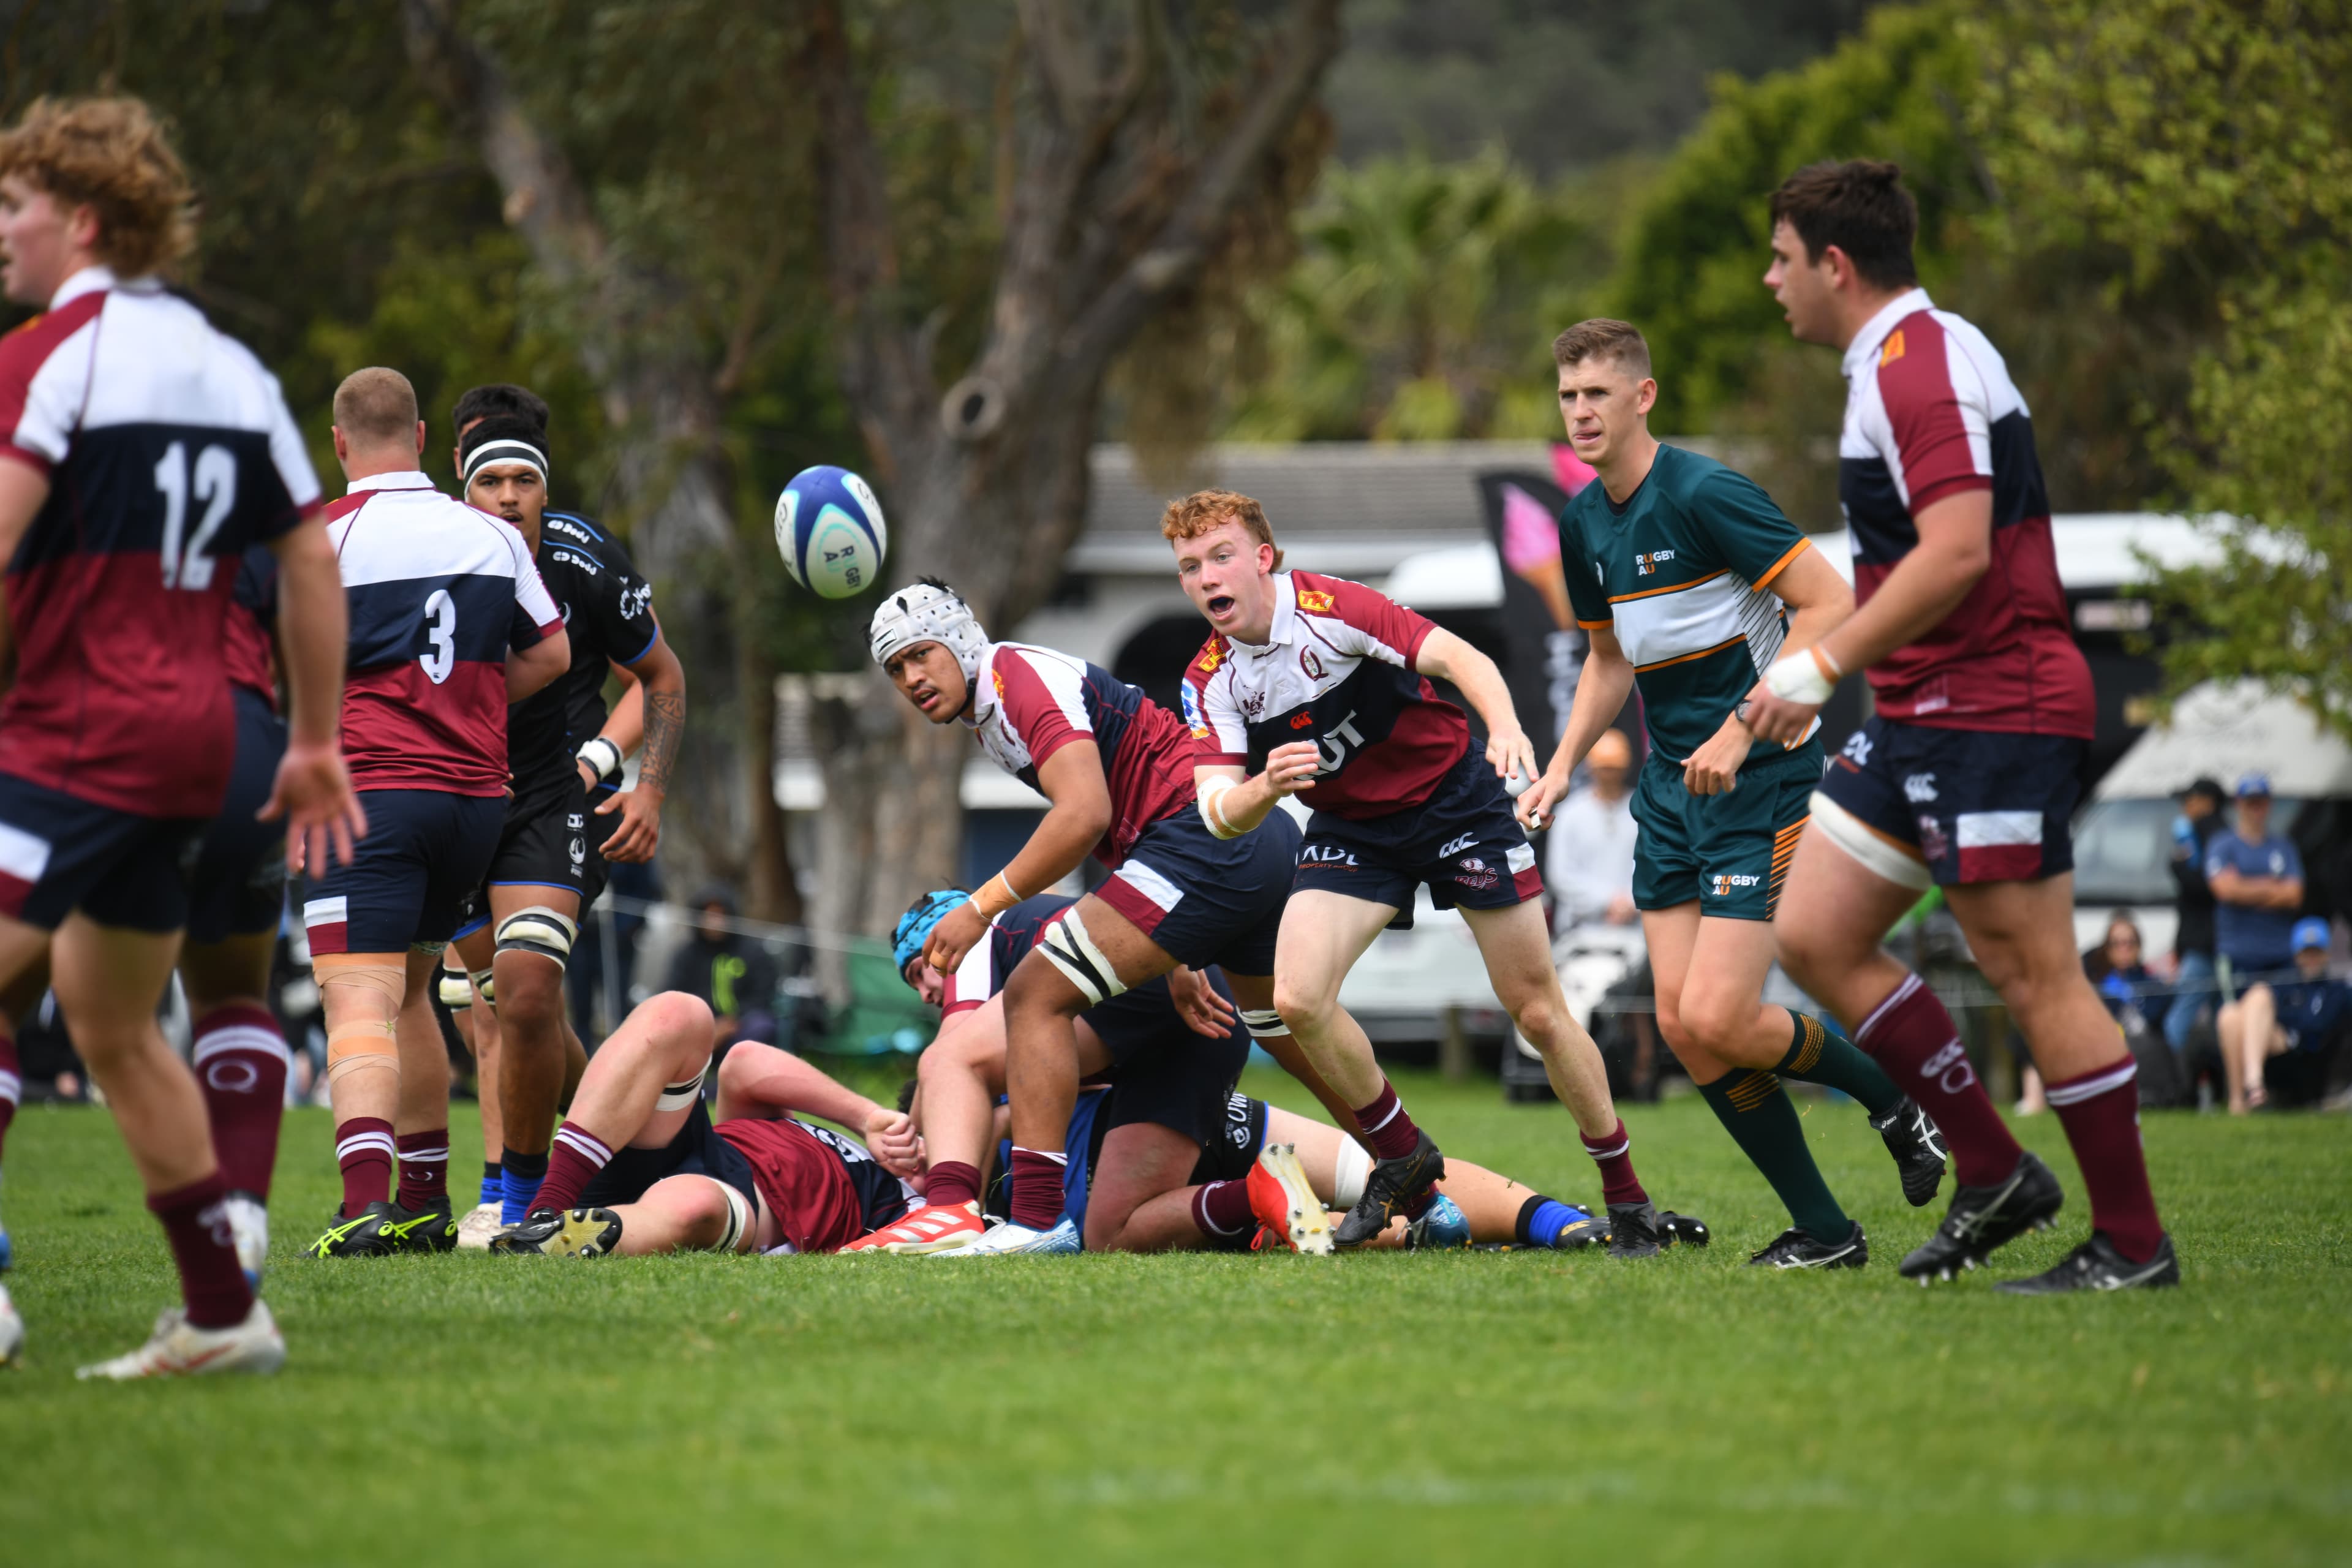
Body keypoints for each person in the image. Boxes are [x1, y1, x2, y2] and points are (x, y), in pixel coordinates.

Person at [1752, 158, 2175, 1291]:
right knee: (1817, 934)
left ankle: (2134, 1246)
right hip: (1920, 711)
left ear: (1834, 265)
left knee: (2032, 971)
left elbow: (1958, 549)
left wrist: (1818, 665)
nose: (1770, 278)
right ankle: (1993, 1173)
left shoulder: (1918, 364)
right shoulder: (1891, 363)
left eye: (1783, 259)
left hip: (1996, 702)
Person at [0, 96, 363, 1378]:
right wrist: (315, 740)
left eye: (15, 208)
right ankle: (223, 1311)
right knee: (110, 1021)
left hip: (76, 733)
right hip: (211, 742)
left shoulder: (51, 357)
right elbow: (309, 558)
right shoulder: (233, 368)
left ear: (80, 219)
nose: (4, 232)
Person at [1520, 320, 1945, 1270]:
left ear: (1644, 396)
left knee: (1719, 1014)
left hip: (1762, 781)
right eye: (1567, 396)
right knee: (1686, 1028)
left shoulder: (1705, 492)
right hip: (1670, 796)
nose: (1581, 411)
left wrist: (1742, 727)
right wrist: (1558, 766)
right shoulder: (1585, 521)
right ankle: (1828, 1233)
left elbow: (1833, 604)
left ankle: (1895, 1096)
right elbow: (1604, 661)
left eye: (1598, 392)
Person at [1167, 491, 1666, 1257]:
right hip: (1355, 832)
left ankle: (1627, 1197)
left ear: (1263, 558)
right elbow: (1216, 810)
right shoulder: (1210, 677)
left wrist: (1503, 728)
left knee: (1535, 1011)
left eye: (1221, 556)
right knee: (1299, 997)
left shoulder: (1334, 607)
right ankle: (1403, 1155)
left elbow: (1463, 659)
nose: (1207, 577)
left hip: (1455, 802)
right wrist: (1264, 788)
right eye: (1190, 566)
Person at [869, 581, 1309, 1256]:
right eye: (896, 669)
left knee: (1033, 994)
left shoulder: (1016, 678)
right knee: (1289, 1033)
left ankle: (1025, 1220)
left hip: (1212, 844)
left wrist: (979, 908)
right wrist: (1176, 953)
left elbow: (1085, 816)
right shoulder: (992, 712)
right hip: (1208, 872)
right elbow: (1123, 827)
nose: (912, 678)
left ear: (958, 638)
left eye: (920, 655)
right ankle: (1411, 1177)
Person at [870, 889, 1642, 1256]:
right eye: (916, 981)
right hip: (1191, 1061)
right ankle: (1559, 1221)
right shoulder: (1038, 968)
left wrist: (934, 1178)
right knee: (1360, 1159)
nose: (930, 987)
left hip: (1138, 1090)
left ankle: (1264, 1202)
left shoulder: (972, 942)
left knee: (1105, 1226)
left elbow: (953, 1066)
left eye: (923, 968)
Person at [304, 367, 570, 1259]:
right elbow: (554, 652)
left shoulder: (324, 536)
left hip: (371, 798)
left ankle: (360, 1207)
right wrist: (470, 704)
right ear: (422, 439)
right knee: (415, 991)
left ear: (341, 444)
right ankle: (422, 1202)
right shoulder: (487, 535)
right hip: (473, 806)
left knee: (357, 999)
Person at [442, 390, 687, 1235]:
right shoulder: (431, 556)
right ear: (460, 485)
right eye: (489, 479)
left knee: (527, 989)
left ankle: (520, 1202)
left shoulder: (585, 561)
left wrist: (638, 781)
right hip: (457, 800)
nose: (508, 497)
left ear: (546, 486)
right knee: (493, 1008)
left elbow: (661, 677)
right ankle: (607, 1150)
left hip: (556, 796)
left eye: (524, 479)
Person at [489, 992, 919, 1257]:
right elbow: (745, 1064)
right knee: (681, 1012)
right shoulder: (857, 1134)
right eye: (918, 1125)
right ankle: (545, 1210)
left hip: (733, 1204)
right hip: (697, 1148)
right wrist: (866, 1117)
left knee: (696, 1206)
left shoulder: (938, 1209)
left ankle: (545, 1242)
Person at [2218, 918, 2348, 1113]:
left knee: (2260, 994)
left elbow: (2316, 1025)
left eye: (2317, 952)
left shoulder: (2337, 990)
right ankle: (2239, 1101)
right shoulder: (2286, 984)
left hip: (2307, 1060)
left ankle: (2253, 1082)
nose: (2311, 959)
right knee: (2229, 1016)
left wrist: (2283, 1021)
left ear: (2327, 954)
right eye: (2306, 953)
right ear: (2296, 955)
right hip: (2278, 1055)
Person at [2206, 774, 2305, 998]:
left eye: (2261, 801)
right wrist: (2272, 885)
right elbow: (2225, 890)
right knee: (2239, 1019)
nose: (2256, 807)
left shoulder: (2283, 846)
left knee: (2284, 1019)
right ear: (2239, 803)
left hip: (2280, 953)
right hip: (2239, 954)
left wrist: (2243, 888)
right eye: (2251, 801)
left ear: (2269, 803)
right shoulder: (2223, 844)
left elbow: (2294, 894)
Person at [1545, 728, 1640, 935]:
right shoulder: (1570, 812)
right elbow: (1561, 875)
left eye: (1614, 768)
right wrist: (1609, 901)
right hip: (1580, 928)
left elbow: (1652, 864)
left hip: (1636, 927)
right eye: (1604, 768)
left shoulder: (1641, 810)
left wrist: (1631, 902)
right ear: (1591, 767)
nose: (1609, 774)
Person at [2165, 778, 2226, 1061]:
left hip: (2205, 943)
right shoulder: (2221, 832)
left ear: (2207, 801)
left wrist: (2177, 866)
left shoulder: (2208, 831)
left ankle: (2161, 1085)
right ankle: (2229, 1090)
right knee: (2221, 1019)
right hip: (2219, 942)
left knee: (2177, 1021)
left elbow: (2210, 888)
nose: (2184, 807)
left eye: (2190, 799)